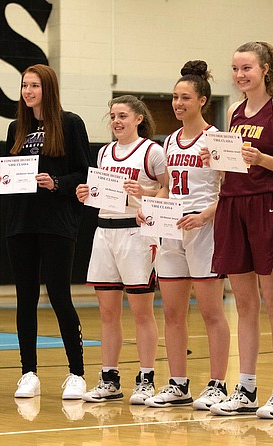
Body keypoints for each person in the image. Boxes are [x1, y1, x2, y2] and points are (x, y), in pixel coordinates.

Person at [206, 41, 273, 418]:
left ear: (265, 69)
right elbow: (234, 161)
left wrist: (263, 158)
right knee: (244, 303)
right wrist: (215, 159)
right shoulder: (232, 110)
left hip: (269, 204)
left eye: (246, 68)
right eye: (235, 69)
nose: (240, 75)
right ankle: (246, 386)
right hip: (233, 203)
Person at [0, 64, 90, 400]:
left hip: (57, 222)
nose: (28, 91)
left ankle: (76, 372)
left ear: (48, 88)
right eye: (24, 85)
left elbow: (84, 173)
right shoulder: (15, 127)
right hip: (20, 223)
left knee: (60, 295)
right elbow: (10, 169)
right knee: (25, 298)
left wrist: (58, 183)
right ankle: (28, 372)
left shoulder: (71, 123)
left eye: (34, 85)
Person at [141, 61, 231, 410]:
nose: (178, 104)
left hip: (205, 230)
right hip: (171, 232)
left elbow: (229, 190)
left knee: (211, 312)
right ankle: (178, 383)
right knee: (173, 313)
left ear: (202, 100)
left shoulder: (216, 139)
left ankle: (218, 384)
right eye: (175, 97)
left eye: (185, 98)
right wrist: (151, 205)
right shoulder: (170, 142)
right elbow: (167, 188)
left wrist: (205, 215)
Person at [76, 95, 167, 405]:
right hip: (105, 231)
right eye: (112, 116)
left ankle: (146, 378)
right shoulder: (104, 152)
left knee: (142, 312)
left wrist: (147, 192)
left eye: (122, 116)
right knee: (107, 312)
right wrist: (86, 192)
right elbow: (104, 193)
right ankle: (109, 378)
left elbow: (168, 190)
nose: (116, 121)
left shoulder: (152, 151)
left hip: (137, 233)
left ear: (138, 119)